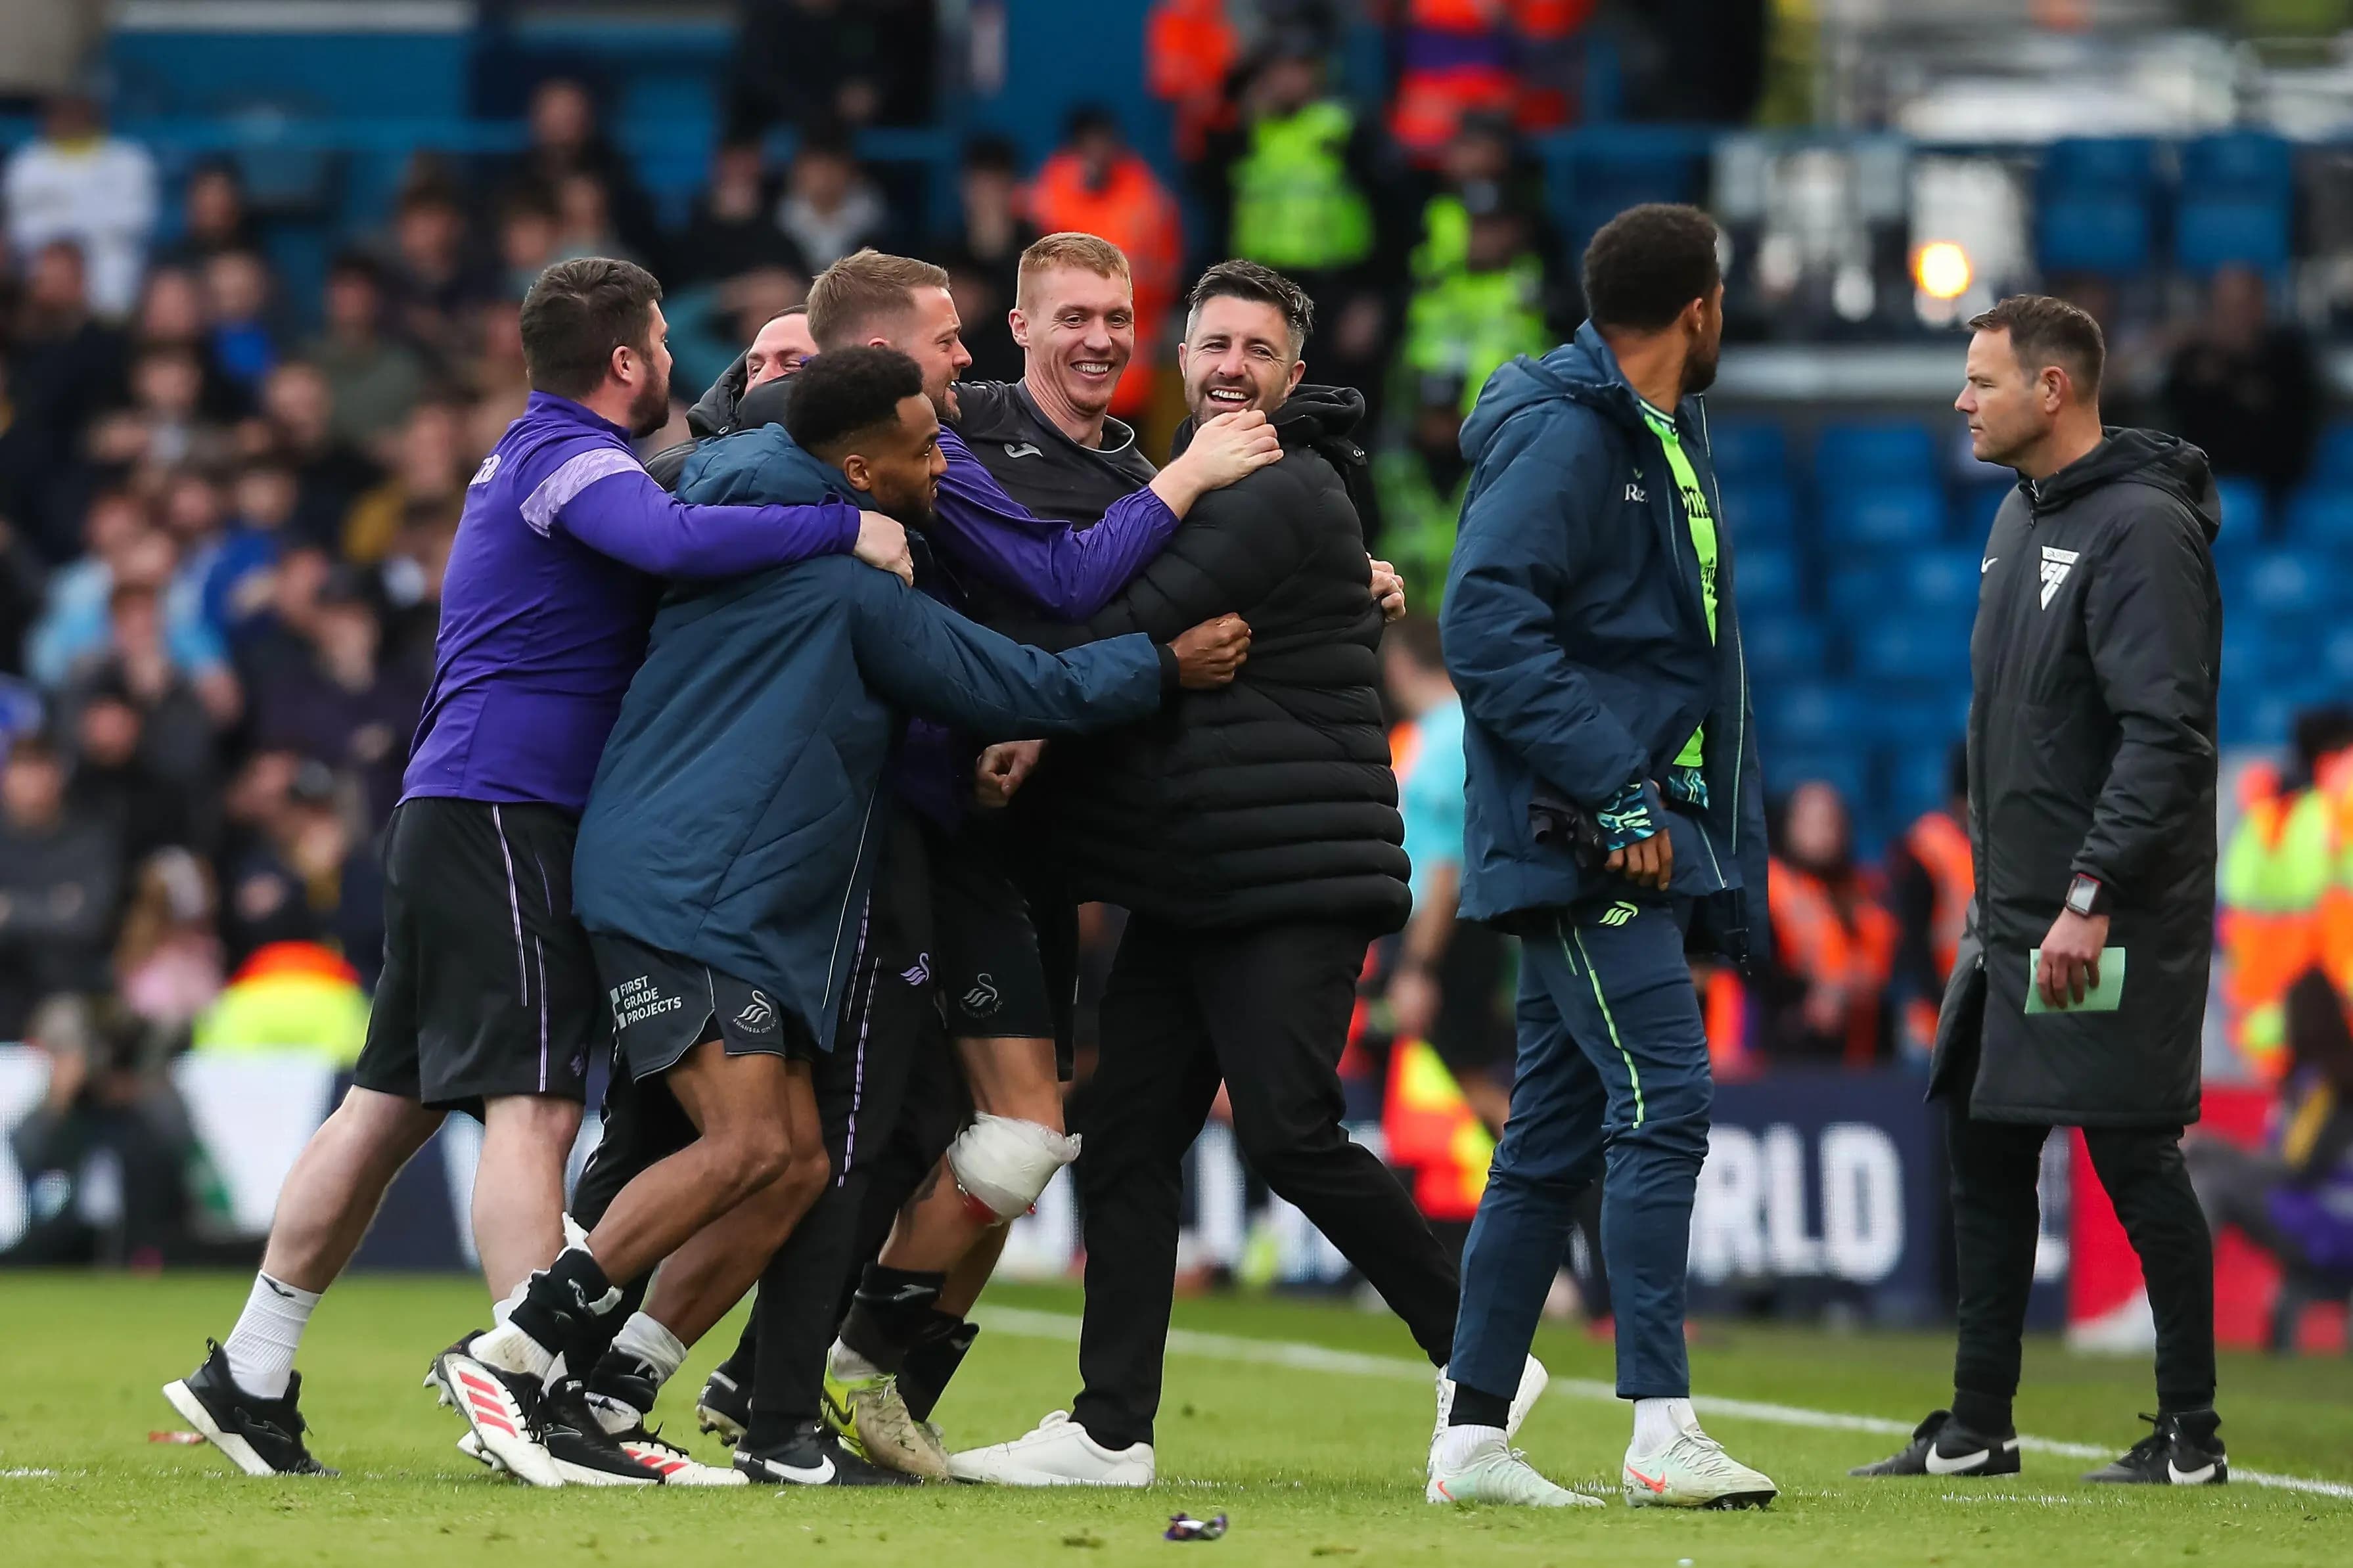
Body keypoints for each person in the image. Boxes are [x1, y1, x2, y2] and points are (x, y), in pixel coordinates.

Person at [433, 344, 1244, 1489]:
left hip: (722, 886)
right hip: (690, 887)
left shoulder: (762, 517)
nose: (940, 464)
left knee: (798, 1158)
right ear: (859, 470)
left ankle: (608, 1389)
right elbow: (1022, 684)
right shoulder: (844, 584)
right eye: (924, 451)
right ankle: (515, 1353)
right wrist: (1165, 663)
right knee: (754, 1141)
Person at [160, 256, 909, 1481]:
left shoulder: (540, 451)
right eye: (663, 340)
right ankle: (532, 1393)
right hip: (510, 806)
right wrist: (845, 522)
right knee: (537, 1103)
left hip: (455, 801)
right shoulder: (565, 456)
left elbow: (675, 480)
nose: (674, 359)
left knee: (388, 1103)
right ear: (624, 361)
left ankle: (247, 1368)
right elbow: (667, 536)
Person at [951, 260, 1467, 1489]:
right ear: (1182, 361)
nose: (1230, 365)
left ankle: (1480, 1350)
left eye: (1256, 348)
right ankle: (1108, 1429)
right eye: (1211, 343)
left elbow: (1102, 614)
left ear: (1295, 374)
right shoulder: (1196, 484)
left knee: (1289, 1133)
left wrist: (996, 661)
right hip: (1197, 877)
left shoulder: (1269, 487)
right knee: (1126, 1138)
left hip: (1286, 874)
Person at [1430, 202, 1776, 1510]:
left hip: (1621, 826)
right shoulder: (1573, 439)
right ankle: (1657, 1423)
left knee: (1547, 1137)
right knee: (1665, 1095)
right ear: (1697, 305)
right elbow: (1483, 619)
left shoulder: (1654, 437)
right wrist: (1620, 797)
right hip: (1584, 836)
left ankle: (1468, 1435)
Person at [1854, 293, 2226, 1485]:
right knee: (1981, 1141)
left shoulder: (2140, 532)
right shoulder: (2021, 519)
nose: (1961, 399)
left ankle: (2191, 1433)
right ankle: (1977, 1423)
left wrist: (2092, 889)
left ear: (2052, 389)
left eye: (1982, 378)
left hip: (2096, 911)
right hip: (2012, 912)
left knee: (2131, 1156)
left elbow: (2164, 737)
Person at [1379, 614, 1512, 1133]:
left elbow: (1443, 869)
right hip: (1473, 929)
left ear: (1399, 665)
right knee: (1459, 1077)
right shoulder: (1473, 729)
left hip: (1440, 936)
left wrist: (1418, 968)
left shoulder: (1434, 748)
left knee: (1459, 1080)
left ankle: (1568, 1189)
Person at [1022, 108, 1183, 423]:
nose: (1097, 153)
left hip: (1130, 367)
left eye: (1104, 143)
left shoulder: (1148, 200)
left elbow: (1167, 274)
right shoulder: (1044, 199)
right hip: (1057, 366)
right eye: (1088, 144)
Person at [2160, 264, 2321, 504]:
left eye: (2241, 307)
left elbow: (2285, 424)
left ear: (2261, 307)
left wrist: (2229, 376)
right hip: (2207, 486)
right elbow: (2180, 421)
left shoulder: (2287, 355)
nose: (2234, 318)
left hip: (2277, 486)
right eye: (2224, 309)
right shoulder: (2193, 359)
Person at [1760, 779, 1894, 1066]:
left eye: (1832, 819)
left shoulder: (1866, 890)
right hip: (1788, 1041)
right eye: (1813, 820)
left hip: (1863, 1037)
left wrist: (1852, 986)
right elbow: (1755, 971)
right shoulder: (1768, 890)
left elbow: (1887, 959)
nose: (1825, 830)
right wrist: (1809, 996)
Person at [3, 91, 158, 319]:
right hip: (40, 303)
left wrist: (62, 217)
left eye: (75, 105)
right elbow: (24, 233)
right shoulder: (25, 164)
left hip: (112, 297)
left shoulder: (130, 160)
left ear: (93, 108)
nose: (68, 115)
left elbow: (136, 223)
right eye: (60, 107)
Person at [1885, 744, 1976, 1059]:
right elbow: (1909, 942)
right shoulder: (1924, 850)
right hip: (1933, 1019)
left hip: (1996, 1017)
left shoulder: (2012, 846)